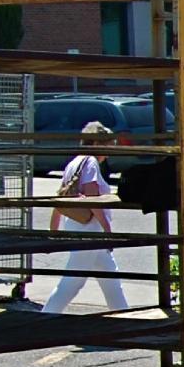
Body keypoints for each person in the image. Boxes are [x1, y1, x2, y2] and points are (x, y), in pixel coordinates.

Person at [42, 122, 129, 315]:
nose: (110, 150)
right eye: (108, 144)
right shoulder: (90, 163)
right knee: (73, 281)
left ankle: (126, 317)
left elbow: (61, 197)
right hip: (90, 229)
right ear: (98, 143)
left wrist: (53, 229)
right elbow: (92, 197)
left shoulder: (74, 163)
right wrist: (107, 229)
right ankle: (45, 318)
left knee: (111, 279)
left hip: (77, 226)